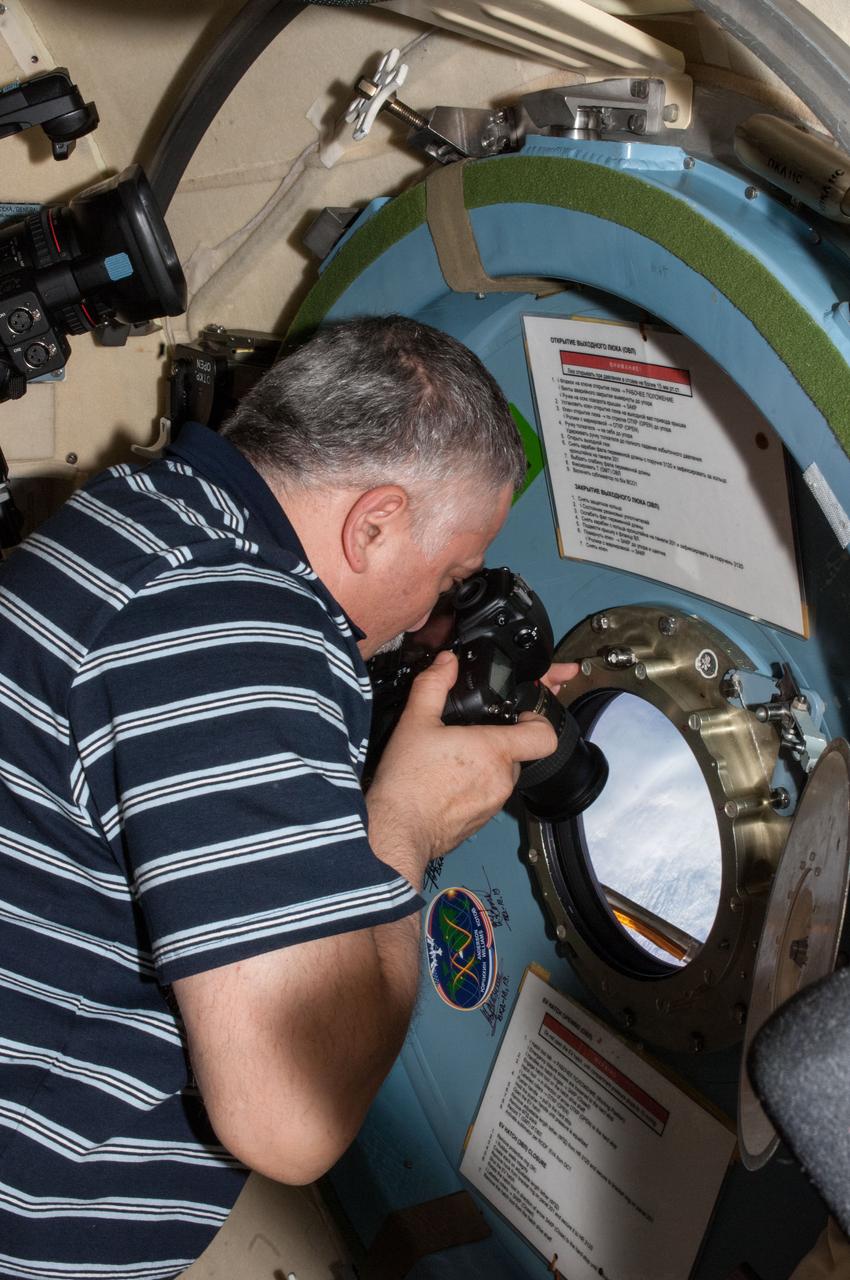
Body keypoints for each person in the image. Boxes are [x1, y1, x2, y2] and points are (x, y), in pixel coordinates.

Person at [0, 314, 571, 1278]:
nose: (431, 615)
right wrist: (406, 826)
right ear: (375, 521)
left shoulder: (144, 514)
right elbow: (291, 1120)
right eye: (451, 575)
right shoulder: (236, 627)